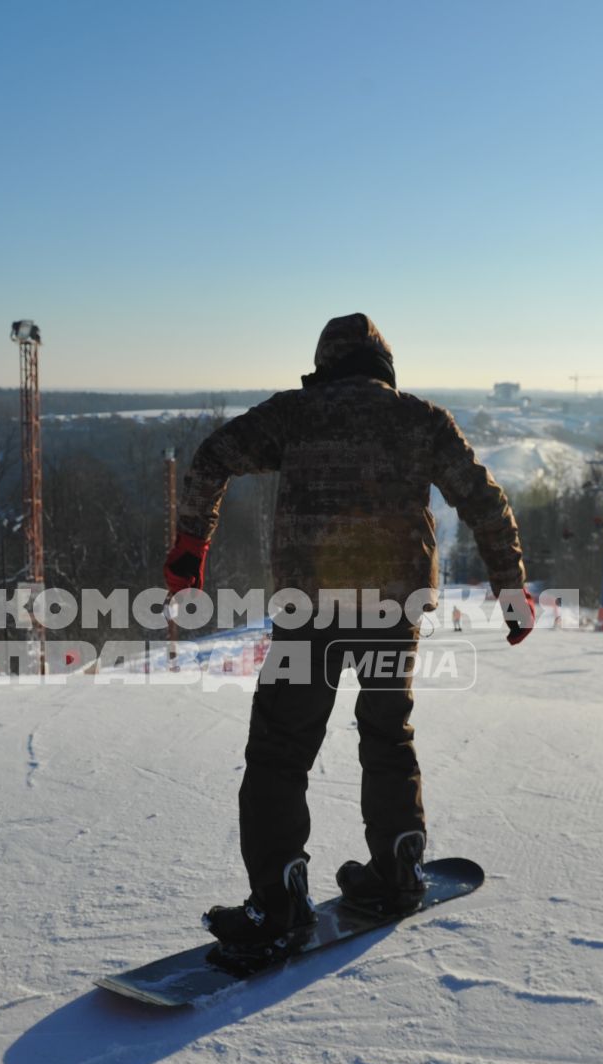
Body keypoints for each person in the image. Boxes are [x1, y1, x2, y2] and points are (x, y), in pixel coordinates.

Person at [165, 314, 530, 958]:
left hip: (311, 610)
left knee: (281, 750)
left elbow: (211, 458)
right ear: (384, 366)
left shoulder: (295, 414)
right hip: (395, 607)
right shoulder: (420, 419)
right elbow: (483, 499)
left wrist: (191, 548)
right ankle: (398, 868)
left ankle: (278, 901)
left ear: (325, 363)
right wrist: (510, 586)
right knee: (388, 732)